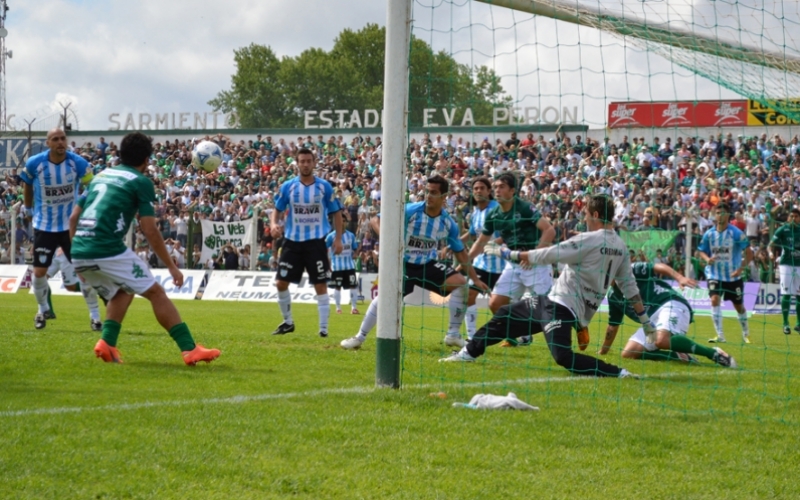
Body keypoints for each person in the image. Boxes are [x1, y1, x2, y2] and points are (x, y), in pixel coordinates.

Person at [440, 195, 652, 379]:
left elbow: (548, 254)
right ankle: (468, 353)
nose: (584, 219)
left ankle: (617, 372)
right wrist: (646, 322)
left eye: (586, 214)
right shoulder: (621, 246)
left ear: (595, 214)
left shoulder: (589, 239)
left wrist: (507, 253)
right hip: (553, 302)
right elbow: (629, 287)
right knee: (505, 314)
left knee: (563, 357)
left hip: (562, 306)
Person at [69, 132, 220, 366]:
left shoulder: (101, 176)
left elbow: (73, 218)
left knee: (124, 290)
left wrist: (75, 255)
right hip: (106, 247)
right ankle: (190, 349)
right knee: (156, 293)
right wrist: (172, 267)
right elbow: (149, 229)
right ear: (147, 159)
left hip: (80, 248)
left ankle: (107, 343)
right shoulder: (140, 182)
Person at [340, 174, 488, 350]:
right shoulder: (410, 210)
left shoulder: (448, 223)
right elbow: (375, 219)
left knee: (461, 284)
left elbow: (461, 254)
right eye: (427, 191)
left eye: (433, 192)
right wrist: (387, 236)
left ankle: (453, 334)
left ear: (444, 197)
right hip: (403, 265)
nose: (428, 195)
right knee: (385, 297)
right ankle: (359, 337)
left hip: (427, 265)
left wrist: (476, 279)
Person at [466, 173, 555, 347]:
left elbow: (549, 231)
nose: (497, 190)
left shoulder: (524, 208)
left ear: (512, 191)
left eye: (502, 187)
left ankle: (573, 329)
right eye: (496, 187)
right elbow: (481, 242)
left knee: (546, 309)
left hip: (536, 264)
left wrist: (534, 255)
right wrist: (465, 260)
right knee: (495, 303)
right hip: (513, 264)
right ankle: (519, 334)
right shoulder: (493, 214)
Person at [20, 128, 93, 329]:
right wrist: (27, 208)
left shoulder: (77, 163)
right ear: (48, 143)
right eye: (55, 139)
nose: (60, 142)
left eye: (63, 138)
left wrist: (81, 203)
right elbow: (26, 184)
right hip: (44, 226)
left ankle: (95, 317)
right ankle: (43, 309)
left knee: (84, 272)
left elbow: (91, 185)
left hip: (70, 227)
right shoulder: (35, 163)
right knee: (39, 272)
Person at [604, 260, 736, 367]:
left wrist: (680, 277)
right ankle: (679, 355)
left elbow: (657, 267)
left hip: (670, 303)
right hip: (650, 320)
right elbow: (613, 325)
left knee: (661, 340)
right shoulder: (612, 295)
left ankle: (713, 353)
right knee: (629, 353)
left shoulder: (632, 270)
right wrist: (603, 351)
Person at [270, 147, 344, 338]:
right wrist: (273, 224)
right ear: (297, 163)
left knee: (320, 284)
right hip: (292, 242)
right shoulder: (288, 186)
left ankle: (323, 329)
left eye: (308, 161)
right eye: (301, 161)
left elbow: (336, 213)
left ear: (314, 163)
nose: (305, 164)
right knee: (280, 283)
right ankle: (288, 322)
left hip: (316, 242)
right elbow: (277, 209)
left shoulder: (325, 187)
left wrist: (337, 239)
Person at [697, 202, 752, 344]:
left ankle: (746, 334)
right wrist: (707, 259)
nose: (720, 216)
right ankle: (720, 335)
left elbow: (749, 252)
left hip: (733, 276)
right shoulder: (709, 234)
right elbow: (701, 251)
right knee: (714, 300)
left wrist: (741, 268)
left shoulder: (736, 233)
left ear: (728, 215)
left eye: (722, 213)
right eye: (717, 213)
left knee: (738, 306)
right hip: (714, 275)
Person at [460, 177, 505, 340]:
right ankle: (471, 337)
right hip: (480, 264)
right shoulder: (475, 213)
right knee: (469, 296)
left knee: (500, 306)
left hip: (500, 264)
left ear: (488, 191)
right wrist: (456, 244)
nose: (478, 191)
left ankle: (520, 335)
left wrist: (491, 245)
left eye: (482, 188)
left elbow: (506, 234)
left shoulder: (497, 209)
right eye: (476, 188)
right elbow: (473, 234)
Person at [44, 247, 103, 331]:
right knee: (40, 278)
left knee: (71, 285)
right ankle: (46, 311)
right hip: (50, 250)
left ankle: (95, 316)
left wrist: (65, 243)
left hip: (67, 250)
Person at [770, 208, 800, 334]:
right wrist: (771, 253)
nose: (793, 218)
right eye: (791, 216)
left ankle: (798, 323)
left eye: (796, 216)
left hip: (799, 265)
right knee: (786, 294)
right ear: (788, 218)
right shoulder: (783, 229)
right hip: (786, 264)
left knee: (799, 295)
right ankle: (785, 323)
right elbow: (771, 243)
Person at [326, 227, 360, 314]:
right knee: (337, 287)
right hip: (337, 266)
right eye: (341, 220)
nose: (342, 223)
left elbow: (355, 248)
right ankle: (338, 308)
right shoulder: (331, 236)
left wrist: (355, 254)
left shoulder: (351, 235)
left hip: (350, 266)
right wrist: (327, 262)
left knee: (353, 286)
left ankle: (354, 308)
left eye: (344, 221)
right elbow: (324, 248)